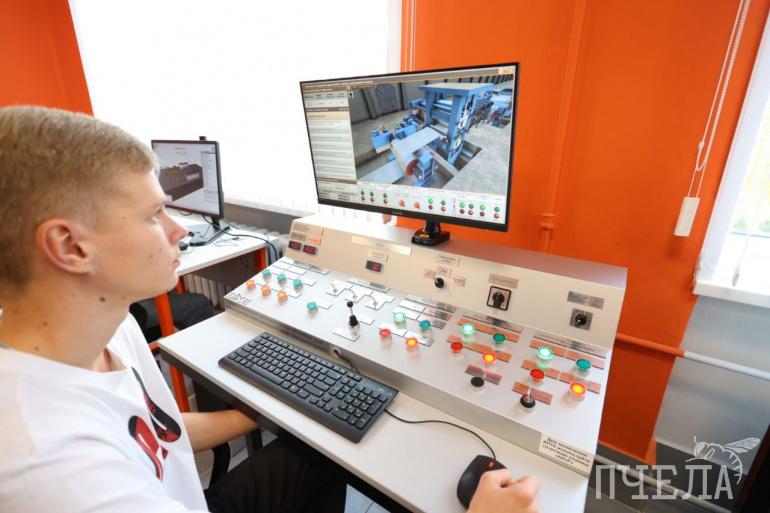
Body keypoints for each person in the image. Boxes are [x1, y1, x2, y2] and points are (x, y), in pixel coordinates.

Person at [0, 105, 540, 513]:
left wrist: (260, 413)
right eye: (152, 215)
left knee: (320, 456)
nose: (179, 228)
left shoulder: (108, 324)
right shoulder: (56, 472)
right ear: (71, 247)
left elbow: (156, 430)